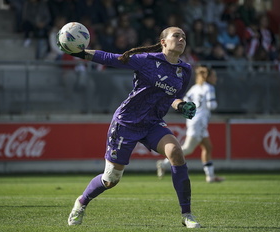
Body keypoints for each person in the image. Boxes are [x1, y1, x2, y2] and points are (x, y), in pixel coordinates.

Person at [57, 26, 200, 228]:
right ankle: (81, 202)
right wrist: (79, 53)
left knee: (176, 151)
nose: (181, 39)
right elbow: (110, 58)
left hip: (152, 123)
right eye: (176, 36)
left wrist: (181, 105)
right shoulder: (147, 61)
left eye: (184, 37)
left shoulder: (184, 70)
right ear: (163, 42)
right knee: (111, 179)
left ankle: (187, 215)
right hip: (127, 122)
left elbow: (172, 98)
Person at [157, 66, 224, 183]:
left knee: (208, 147)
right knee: (188, 148)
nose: (216, 78)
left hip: (194, 120)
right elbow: (211, 105)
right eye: (214, 75)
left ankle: (210, 176)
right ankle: (164, 164)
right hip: (199, 122)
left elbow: (185, 100)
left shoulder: (195, 88)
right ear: (208, 77)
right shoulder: (209, 88)